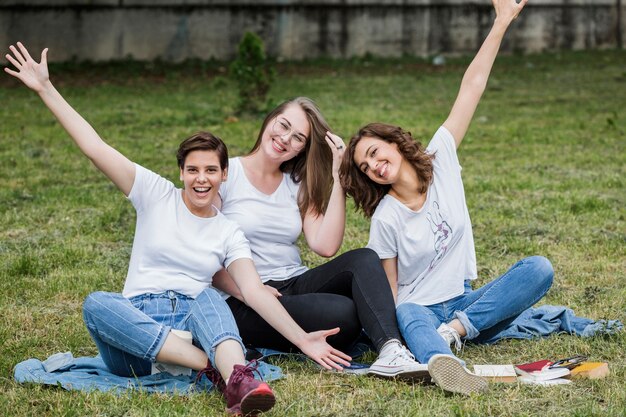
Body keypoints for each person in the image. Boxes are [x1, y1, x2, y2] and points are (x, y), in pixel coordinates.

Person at [4, 42, 352, 416]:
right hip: (136, 339)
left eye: (211, 171)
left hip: (193, 319)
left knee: (209, 299)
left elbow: (255, 291)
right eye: (193, 170)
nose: (201, 179)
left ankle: (236, 376)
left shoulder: (228, 231)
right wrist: (46, 89)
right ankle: (216, 369)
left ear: (224, 176)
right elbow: (95, 147)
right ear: (181, 172)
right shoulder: (154, 195)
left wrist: (304, 341)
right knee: (97, 304)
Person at [340, 0, 553, 395]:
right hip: (417, 308)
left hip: (466, 304)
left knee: (538, 268)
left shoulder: (442, 159)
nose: (373, 166)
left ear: (394, 143)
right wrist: (394, 332)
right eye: (365, 168)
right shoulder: (386, 217)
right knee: (407, 312)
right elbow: (388, 289)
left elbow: (472, 86)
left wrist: (501, 22)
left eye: (374, 153)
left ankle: (454, 334)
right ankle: (450, 366)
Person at [211, 99, 426, 379]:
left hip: (293, 282)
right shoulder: (226, 174)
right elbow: (206, 256)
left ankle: (391, 350)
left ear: (303, 147)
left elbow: (325, 246)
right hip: (244, 298)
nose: (285, 139)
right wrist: (251, 292)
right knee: (345, 314)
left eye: (298, 137)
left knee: (364, 259)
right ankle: (380, 335)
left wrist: (338, 176)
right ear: (270, 119)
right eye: (284, 125)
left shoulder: (296, 184)